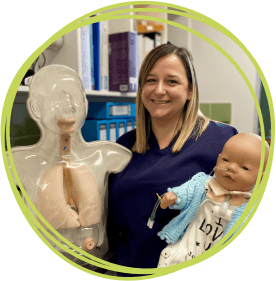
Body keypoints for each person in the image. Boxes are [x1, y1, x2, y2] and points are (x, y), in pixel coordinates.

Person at [107, 43, 238, 272]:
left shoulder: (222, 141)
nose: (159, 90)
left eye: (172, 81)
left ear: (190, 90)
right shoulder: (124, 146)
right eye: (150, 80)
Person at [8, 65, 132, 269]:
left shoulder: (109, 156)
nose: (69, 105)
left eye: (75, 96)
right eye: (58, 97)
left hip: (95, 263)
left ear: (85, 102)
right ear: (35, 107)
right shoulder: (16, 164)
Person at [157, 133, 269, 267]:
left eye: (244, 168)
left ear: (262, 177)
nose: (231, 168)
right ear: (218, 159)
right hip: (183, 253)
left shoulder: (253, 206)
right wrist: (174, 197)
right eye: (226, 160)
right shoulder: (203, 184)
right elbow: (185, 192)